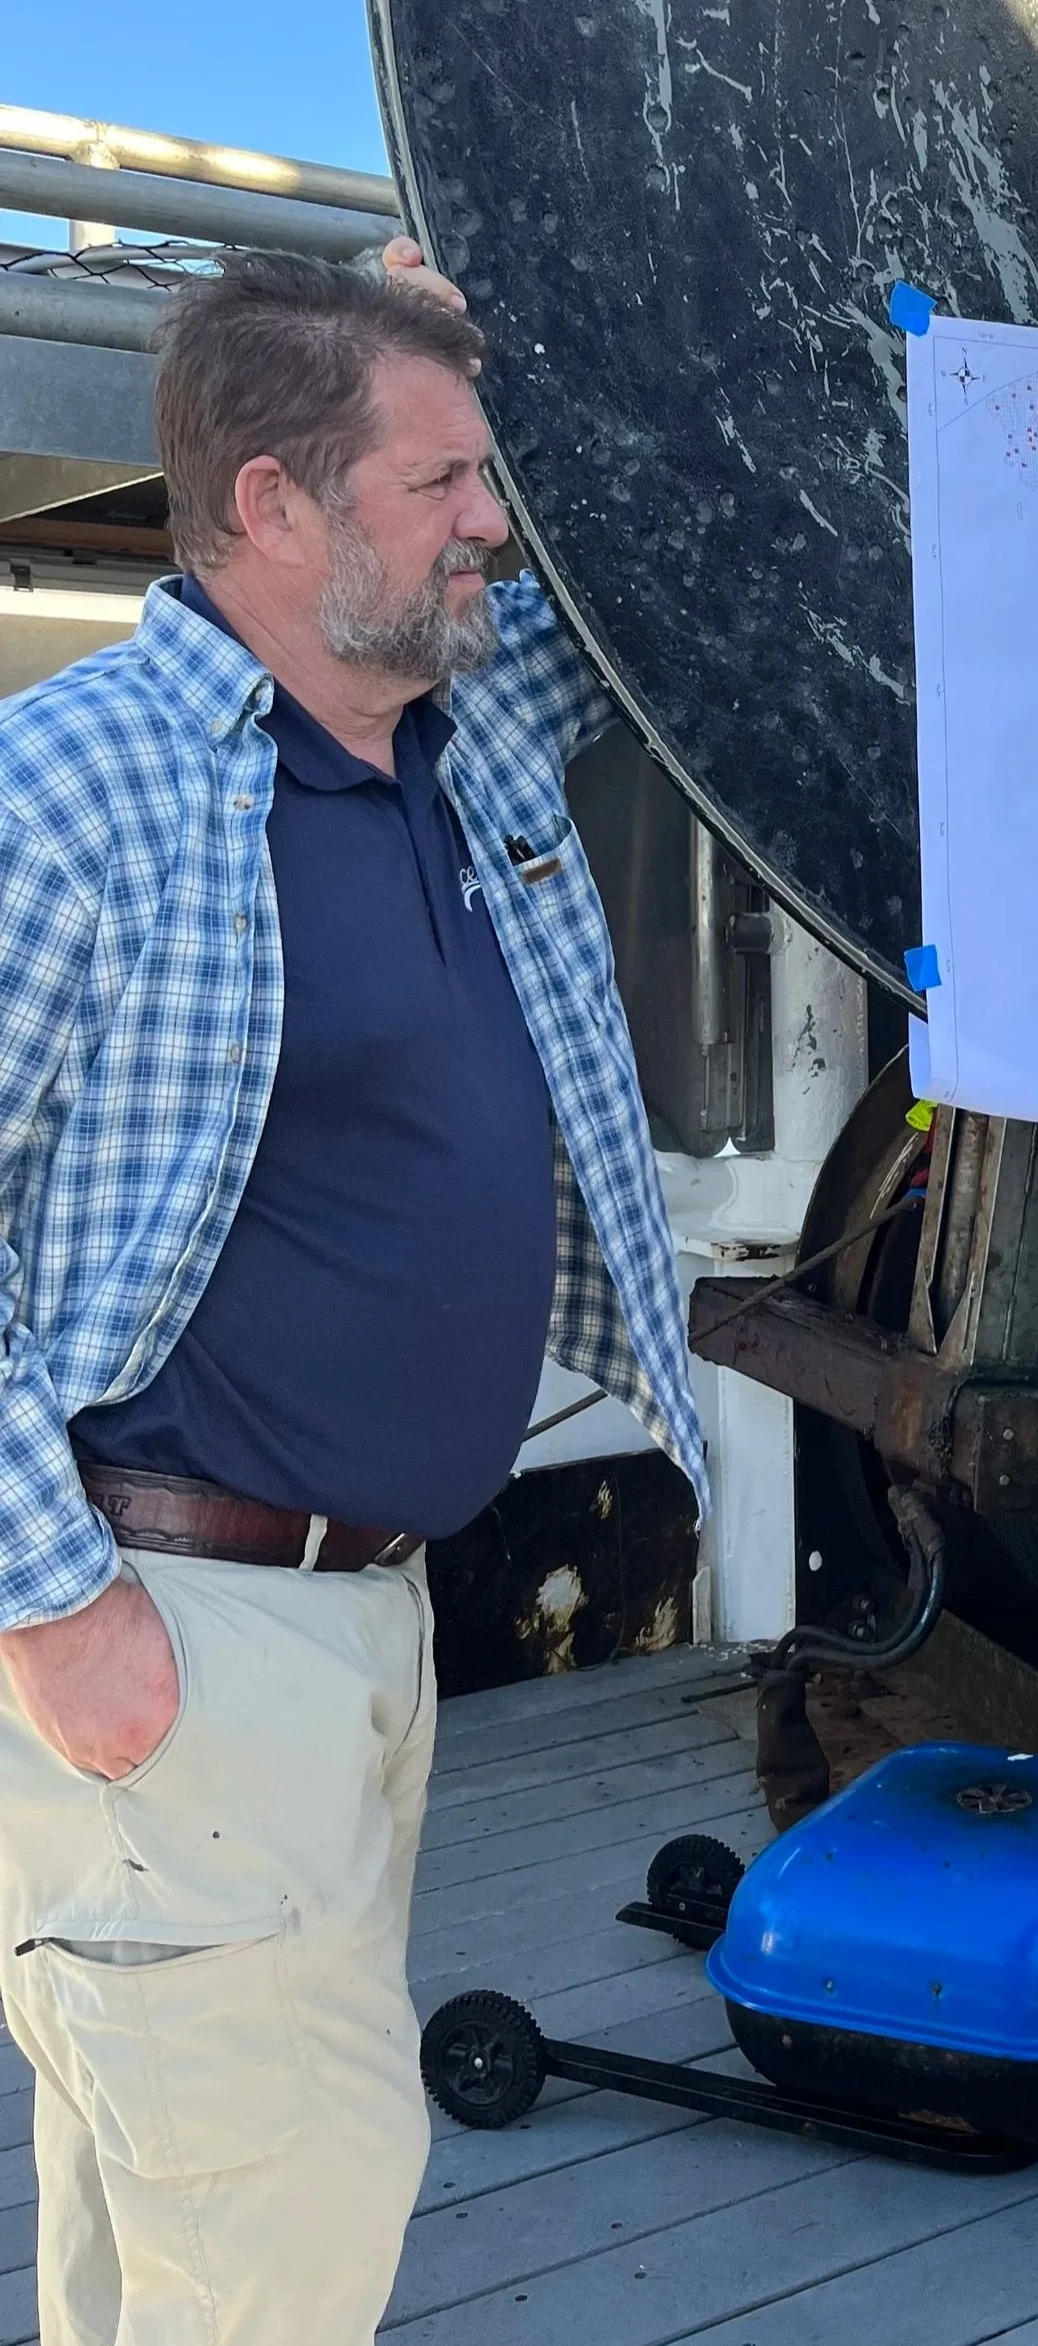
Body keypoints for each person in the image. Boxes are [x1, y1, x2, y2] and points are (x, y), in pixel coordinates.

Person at [0, 241, 706, 2343]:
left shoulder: (449, 736)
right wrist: (56, 1602)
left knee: (173, 2227)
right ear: (270, 507)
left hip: (359, 1620)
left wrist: (490, 307)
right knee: (277, 2245)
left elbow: (636, 556)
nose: (488, 517)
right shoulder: (77, 786)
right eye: (438, 482)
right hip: (177, 1630)